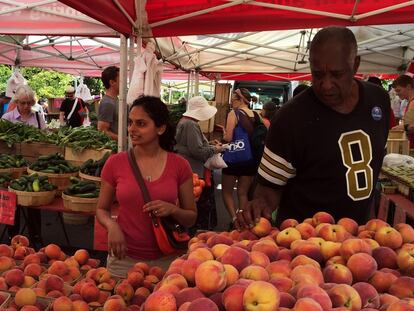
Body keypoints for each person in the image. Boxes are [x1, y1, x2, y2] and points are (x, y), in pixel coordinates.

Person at [236, 26, 390, 228]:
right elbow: (268, 189)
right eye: (317, 74)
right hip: (303, 245)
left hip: (360, 240)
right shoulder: (290, 118)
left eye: (337, 74)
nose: (326, 85)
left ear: (356, 65)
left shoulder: (378, 100)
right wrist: (257, 206)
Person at [96, 96, 197, 277]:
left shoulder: (180, 165)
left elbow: (191, 217)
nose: (132, 129)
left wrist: (172, 209)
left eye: (141, 124)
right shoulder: (115, 163)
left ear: (161, 128)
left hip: (168, 261)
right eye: (130, 123)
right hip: (123, 260)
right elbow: (102, 209)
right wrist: (112, 226)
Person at [1, 85, 44, 244]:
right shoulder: (7, 118)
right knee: (11, 201)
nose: (26, 107)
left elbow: (43, 139)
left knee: (33, 200)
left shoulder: (38, 117)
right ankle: (12, 238)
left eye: (29, 103)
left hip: (33, 166)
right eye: (23, 103)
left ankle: (35, 237)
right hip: (12, 167)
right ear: (16, 102)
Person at [175, 96, 224, 230]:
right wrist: (216, 149)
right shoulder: (190, 124)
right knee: (197, 204)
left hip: (188, 167)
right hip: (193, 169)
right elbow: (197, 151)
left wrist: (208, 144)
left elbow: (189, 146)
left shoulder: (185, 122)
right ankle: (196, 231)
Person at [222, 88, 261, 228]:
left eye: (233, 100)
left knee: (226, 192)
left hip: (233, 159)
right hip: (249, 159)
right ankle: (245, 220)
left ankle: (234, 219)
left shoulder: (234, 114)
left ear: (240, 100)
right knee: (243, 193)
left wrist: (224, 133)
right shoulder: (257, 115)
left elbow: (228, 138)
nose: (231, 103)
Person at [391, 75, 414, 148]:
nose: (397, 93)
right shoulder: (410, 102)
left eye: (399, 90)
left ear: (408, 86)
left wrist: (404, 127)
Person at [98, 66, 119, 141]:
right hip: (116, 148)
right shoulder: (107, 103)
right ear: (112, 82)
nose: (124, 83)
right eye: (121, 80)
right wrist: (124, 139)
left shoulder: (116, 99)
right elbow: (102, 131)